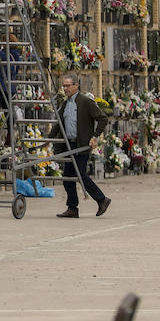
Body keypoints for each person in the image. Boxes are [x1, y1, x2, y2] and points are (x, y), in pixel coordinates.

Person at [50, 73, 111, 218]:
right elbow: (59, 124)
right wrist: (49, 139)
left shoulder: (85, 102)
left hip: (81, 145)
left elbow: (103, 118)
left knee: (80, 174)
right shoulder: (65, 104)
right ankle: (72, 208)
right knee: (67, 177)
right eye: (63, 86)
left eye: (67, 86)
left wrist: (95, 136)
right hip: (69, 145)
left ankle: (102, 199)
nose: (65, 89)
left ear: (76, 85)